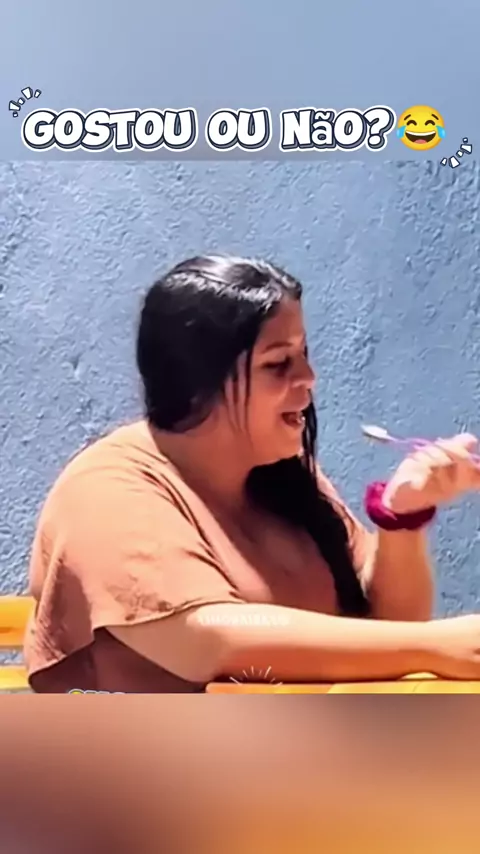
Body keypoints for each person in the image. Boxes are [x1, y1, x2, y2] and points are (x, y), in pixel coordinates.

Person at [24, 254, 480, 692]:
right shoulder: (106, 489)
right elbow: (208, 637)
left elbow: (386, 628)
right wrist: (433, 647)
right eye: (278, 363)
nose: (308, 377)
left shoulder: (283, 478)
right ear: (197, 381)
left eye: (304, 354)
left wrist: (400, 518)